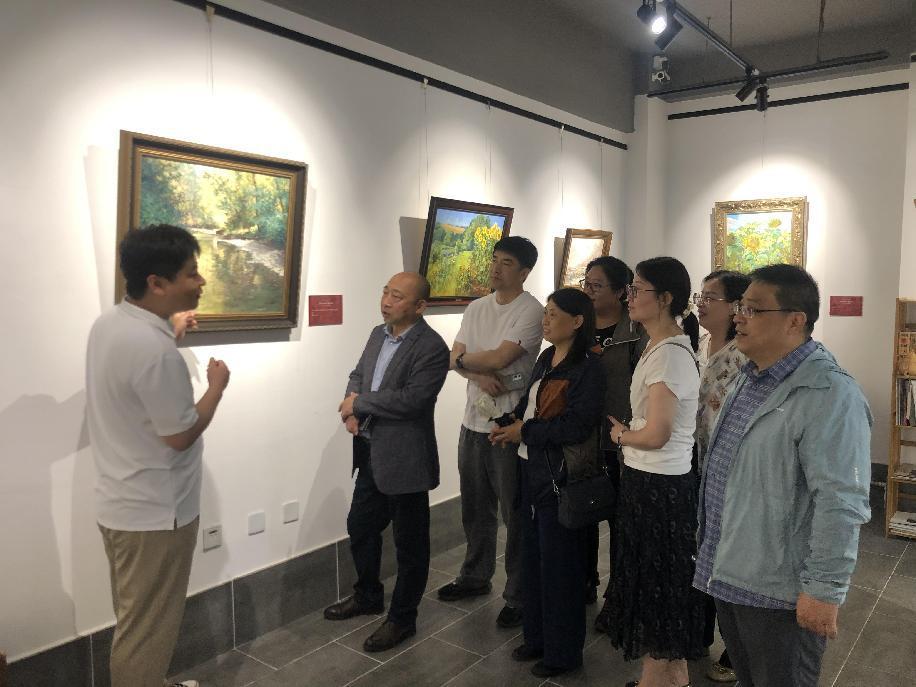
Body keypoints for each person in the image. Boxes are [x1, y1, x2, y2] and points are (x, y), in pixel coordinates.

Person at [693, 264, 872, 687]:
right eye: (740, 307)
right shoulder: (750, 376)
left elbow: (841, 501)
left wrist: (823, 589)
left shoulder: (829, 392)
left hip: (778, 590)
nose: (739, 317)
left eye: (753, 310)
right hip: (730, 570)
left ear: (795, 320)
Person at [86, 225, 230, 687]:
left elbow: (140, 381)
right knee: (146, 633)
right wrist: (216, 388)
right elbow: (181, 434)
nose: (201, 281)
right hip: (155, 514)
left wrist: (172, 330)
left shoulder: (111, 323)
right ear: (157, 283)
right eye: (191, 273)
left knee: (135, 618)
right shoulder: (154, 350)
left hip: (121, 502)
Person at [325, 272, 450, 653]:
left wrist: (360, 404)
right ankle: (368, 595)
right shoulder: (377, 334)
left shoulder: (432, 347)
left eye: (397, 296)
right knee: (360, 525)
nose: (386, 301)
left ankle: (402, 619)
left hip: (406, 459)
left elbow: (413, 400)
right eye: (385, 292)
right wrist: (351, 408)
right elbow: (359, 375)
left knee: (410, 544)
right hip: (370, 451)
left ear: (419, 306)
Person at [491, 288, 605, 678]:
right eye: (546, 313)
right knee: (532, 559)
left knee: (560, 567)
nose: (546, 320)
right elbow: (530, 407)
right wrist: (510, 424)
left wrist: (525, 432)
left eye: (554, 314)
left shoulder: (588, 367)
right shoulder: (545, 358)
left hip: (559, 476)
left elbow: (577, 425)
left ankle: (563, 652)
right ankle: (536, 637)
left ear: (577, 321)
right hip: (530, 469)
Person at [605, 256, 705, 687]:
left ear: (665, 298)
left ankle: (661, 679)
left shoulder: (669, 355)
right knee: (656, 585)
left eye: (637, 289)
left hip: (658, 485)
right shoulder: (661, 346)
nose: (628, 297)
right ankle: (667, 678)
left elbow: (658, 433)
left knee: (658, 585)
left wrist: (621, 436)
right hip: (654, 481)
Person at [437, 236, 543, 628]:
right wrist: (477, 373)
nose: (496, 268)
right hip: (472, 422)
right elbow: (455, 357)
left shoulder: (530, 310)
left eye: (507, 262)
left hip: (508, 425)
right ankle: (474, 576)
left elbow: (502, 357)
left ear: (524, 272)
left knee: (514, 513)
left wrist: (465, 363)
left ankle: (518, 593)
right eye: (495, 259)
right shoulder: (477, 307)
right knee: (475, 506)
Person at [579, 256, 648, 627]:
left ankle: (619, 596)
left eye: (597, 285)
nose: (589, 291)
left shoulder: (637, 332)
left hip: (621, 443)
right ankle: (584, 581)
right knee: (582, 517)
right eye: (586, 283)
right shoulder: (579, 325)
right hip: (582, 441)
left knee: (621, 524)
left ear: (622, 292)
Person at [692, 269, 750, 683]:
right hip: (696, 462)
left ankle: (735, 648)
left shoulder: (742, 356)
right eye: (701, 295)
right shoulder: (697, 344)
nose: (701, 303)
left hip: (730, 467)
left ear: (734, 307)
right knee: (703, 549)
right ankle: (699, 633)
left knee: (729, 556)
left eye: (711, 297)